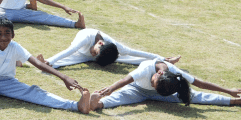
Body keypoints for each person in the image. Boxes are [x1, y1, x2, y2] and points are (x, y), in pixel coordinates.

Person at [0, 18, 91, 113]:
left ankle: (75, 106)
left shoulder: (15, 46)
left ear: (13, 35)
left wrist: (64, 77)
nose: (3, 37)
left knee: (35, 92)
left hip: (8, 83)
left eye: (7, 33)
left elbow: (38, 64)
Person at [91, 58, 241, 110]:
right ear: (159, 74)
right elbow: (124, 81)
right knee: (120, 97)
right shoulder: (146, 68)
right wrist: (109, 89)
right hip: (137, 90)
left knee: (195, 96)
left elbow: (201, 84)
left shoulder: (174, 74)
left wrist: (229, 91)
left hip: (164, 93)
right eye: (153, 83)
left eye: (154, 85)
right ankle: (96, 104)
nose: (152, 85)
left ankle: (238, 102)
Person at [41, 26, 175, 70]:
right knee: (64, 60)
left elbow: (134, 52)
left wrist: (162, 58)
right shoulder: (85, 37)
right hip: (79, 53)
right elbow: (69, 51)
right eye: (95, 53)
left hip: (105, 55)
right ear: (100, 43)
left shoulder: (114, 46)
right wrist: (51, 60)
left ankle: (160, 62)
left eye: (95, 55)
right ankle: (46, 63)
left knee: (129, 58)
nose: (93, 55)